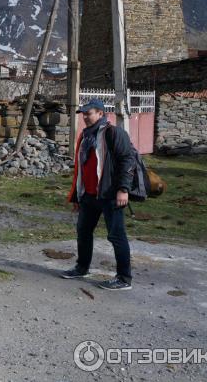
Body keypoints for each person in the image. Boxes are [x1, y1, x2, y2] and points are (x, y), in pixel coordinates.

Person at [61, 99, 135, 290]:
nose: (85, 117)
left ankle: (124, 278)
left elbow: (128, 161)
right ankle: (82, 267)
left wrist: (123, 189)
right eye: (83, 114)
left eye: (89, 113)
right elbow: (81, 169)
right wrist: (77, 196)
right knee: (83, 232)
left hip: (110, 194)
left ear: (100, 114)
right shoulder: (85, 137)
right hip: (89, 196)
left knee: (116, 236)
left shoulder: (113, 133)